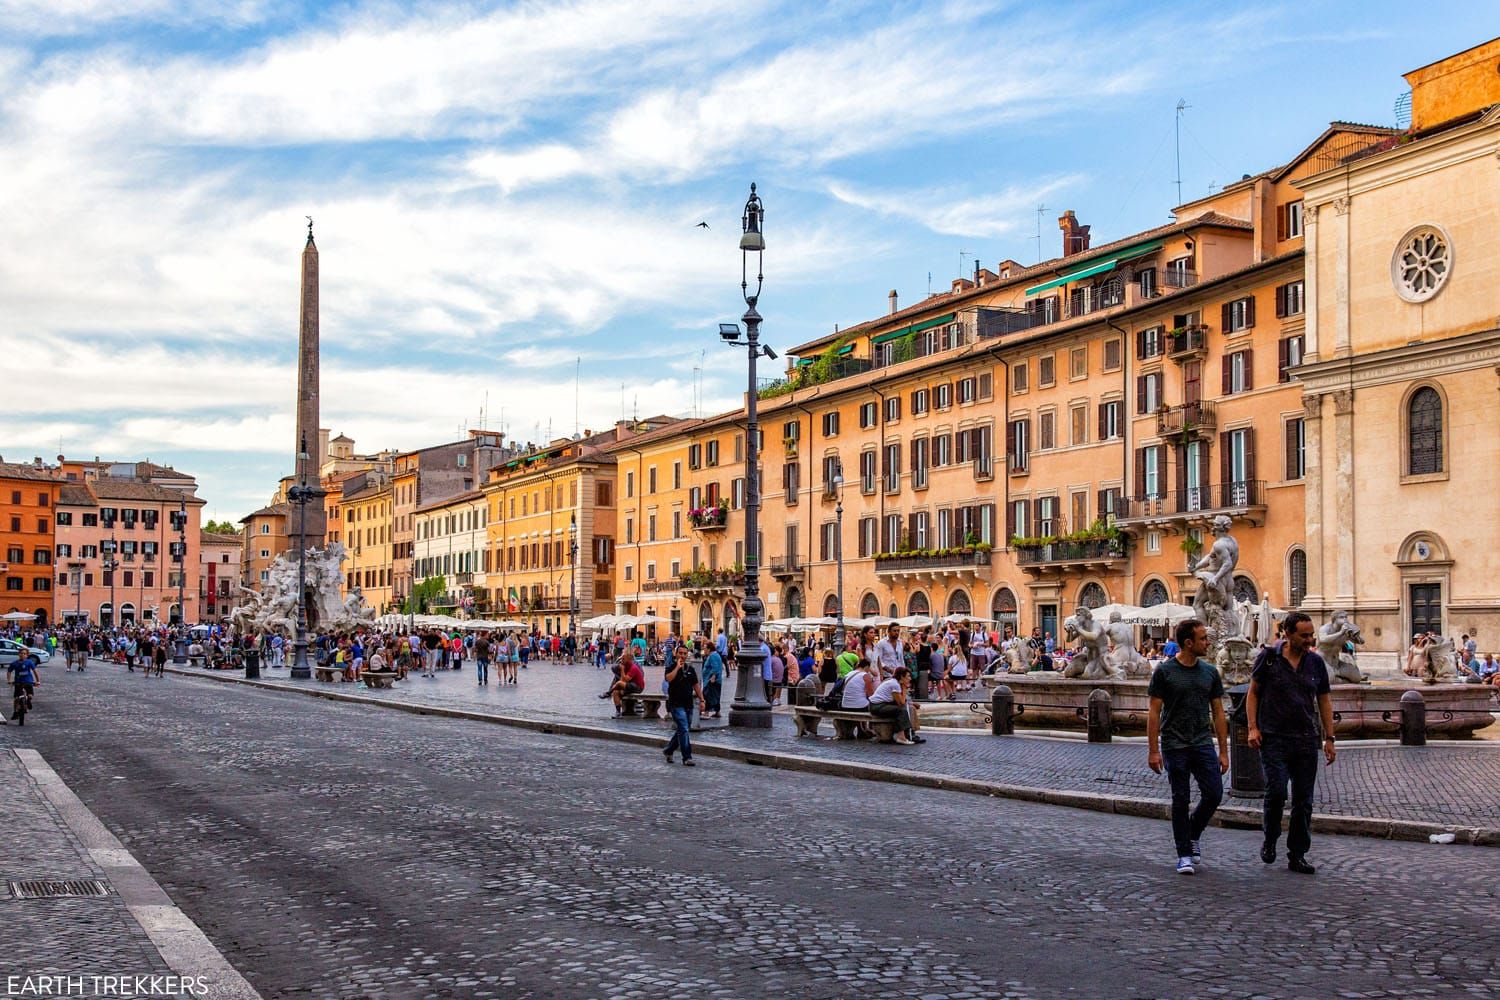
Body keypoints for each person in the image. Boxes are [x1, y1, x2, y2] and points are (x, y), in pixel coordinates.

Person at [1246, 610, 1336, 875]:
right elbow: (1253, 693)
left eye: (1311, 634)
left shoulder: (1315, 663)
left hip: (1307, 739)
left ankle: (1297, 853)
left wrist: (1329, 737)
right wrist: (1252, 728)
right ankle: (1271, 837)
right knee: (1276, 792)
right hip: (1274, 737)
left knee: (1304, 800)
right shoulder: (1269, 659)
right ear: (1288, 634)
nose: (1309, 640)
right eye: (1304, 635)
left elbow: (1324, 700)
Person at [1147, 618, 1228, 875]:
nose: (1208, 642)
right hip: (1174, 743)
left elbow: (1218, 712)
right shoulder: (1165, 671)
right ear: (1188, 643)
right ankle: (1184, 853)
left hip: (1202, 742)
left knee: (1214, 793)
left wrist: (1224, 751)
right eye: (1203, 639)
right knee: (1180, 798)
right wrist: (1153, 750)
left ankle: (1193, 832)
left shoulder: (1210, 672)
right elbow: (1153, 711)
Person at [661, 646, 705, 766]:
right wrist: (677, 668)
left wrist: (702, 700)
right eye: (680, 653)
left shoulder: (690, 669)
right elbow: (668, 679)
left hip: (688, 704)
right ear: (676, 654)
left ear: (687, 655)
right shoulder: (670, 667)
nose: (682, 655)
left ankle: (668, 750)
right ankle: (687, 757)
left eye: (685, 653)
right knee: (684, 728)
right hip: (675, 704)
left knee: (682, 729)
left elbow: (696, 686)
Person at [868, 665, 922, 745]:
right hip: (876, 706)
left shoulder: (894, 682)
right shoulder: (895, 685)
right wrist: (904, 688)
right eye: (908, 676)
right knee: (901, 710)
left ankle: (910, 733)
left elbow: (898, 700)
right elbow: (901, 703)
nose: (910, 679)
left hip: (880, 704)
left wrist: (912, 703)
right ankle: (901, 737)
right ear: (901, 677)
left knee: (909, 708)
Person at [5, 647, 39, 725]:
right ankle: (15, 711)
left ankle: (28, 701)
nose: (22, 655)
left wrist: (37, 681)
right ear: (18, 654)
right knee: (16, 698)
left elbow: (35, 671)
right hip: (18, 682)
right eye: (21, 653)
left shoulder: (29, 662)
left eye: (24, 654)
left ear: (27, 655)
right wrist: (9, 680)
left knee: (30, 695)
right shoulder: (14, 663)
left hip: (28, 682)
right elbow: (9, 671)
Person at [607, 650, 646, 717]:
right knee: (616, 692)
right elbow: (621, 678)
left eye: (623, 658)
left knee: (618, 682)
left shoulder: (634, 666)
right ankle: (618, 712)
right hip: (629, 685)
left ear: (628, 659)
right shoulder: (624, 665)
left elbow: (625, 680)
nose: (621, 660)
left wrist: (621, 670)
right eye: (621, 658)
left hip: (637, 686)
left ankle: (608, 692)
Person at [701, 643, 725, 717]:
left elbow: (715, 667)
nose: (704, 650)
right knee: (716, 696)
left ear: (709, 649)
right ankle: (717, 712)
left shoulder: (712, 656)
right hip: (717, 680)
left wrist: (713, 676)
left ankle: (706, 712)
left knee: (707, 695)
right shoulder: (716, 655)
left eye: (705, 648)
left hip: (710, 680)